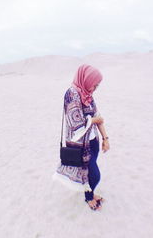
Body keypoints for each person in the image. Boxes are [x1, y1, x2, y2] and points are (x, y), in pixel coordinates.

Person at [55, 64, 110, 211]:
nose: (95, 88)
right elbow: (76, 125)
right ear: (86, 79)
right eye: (94, 84)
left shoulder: (88, 95)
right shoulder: (71, 94)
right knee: (95, 175)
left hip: (93, 142)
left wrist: (105, 138)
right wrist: (94, 120)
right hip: (80, 146)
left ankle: (89, 196)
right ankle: (89, 198)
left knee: (89, 173)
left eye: (97, 85)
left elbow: (99, 116)